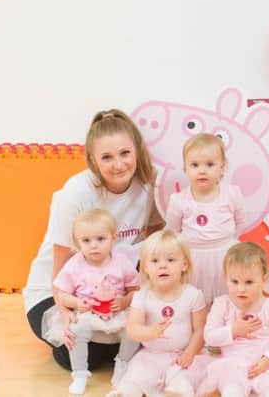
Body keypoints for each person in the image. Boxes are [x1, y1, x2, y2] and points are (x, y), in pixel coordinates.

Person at [23, 109, 163, 371]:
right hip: (58, 292)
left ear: (137, 150)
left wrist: (142, 297)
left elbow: (154, 245)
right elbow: (59, 271)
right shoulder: (74, 195)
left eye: (125, 153)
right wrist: (65, 313)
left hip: (114, 289)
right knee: (83, 354)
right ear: (92, 160)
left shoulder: (149, 184)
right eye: (107, 157)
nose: (118, 164)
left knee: (151, 336)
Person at [196, 242, 269, 397]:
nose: (241, 289)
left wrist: (268, 360)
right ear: (226, 278)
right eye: (234, 282)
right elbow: (209, 336)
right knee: (231, 386)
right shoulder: (222, 304)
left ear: (264, 279)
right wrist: (233, 330)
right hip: (232, 365)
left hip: (262, 365)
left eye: (249, 282)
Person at [45, 209, 139, 394]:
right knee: (75, 330)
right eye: (86, 241)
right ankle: (79, 373)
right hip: (88, 313)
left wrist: (124, 301)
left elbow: (136, 290)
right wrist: (77, 303)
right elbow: (62, 294)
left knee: (133, 329)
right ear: (77, 243)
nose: (93, 246)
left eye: (100, 239)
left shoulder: (121, 262)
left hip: (117, 313)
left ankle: (123, 365)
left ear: (113, 238)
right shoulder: (75, 265)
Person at [107, 229, 207, 397]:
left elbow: (200, 330)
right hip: (150, 355)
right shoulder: (142, 296)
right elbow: (133, 328)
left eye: (170, 260)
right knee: (136, 377)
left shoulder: (193, 295)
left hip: (181, 356)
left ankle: (176, 392)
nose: (162, 265)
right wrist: (152, 332)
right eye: (154, 261)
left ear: (184, 265)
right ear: (145, 268)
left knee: (183, 379)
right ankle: (125, 393)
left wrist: (189, 353)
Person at [165, 133, 245, 305]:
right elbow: (172, 231)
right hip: (193, 257)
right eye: (194, 165)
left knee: (227, 298)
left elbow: (239, 222)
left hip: (225, 254)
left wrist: (227, 241)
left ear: (222, 167)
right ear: (186, 168)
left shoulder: (231, 194)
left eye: (209, 164)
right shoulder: (179, 200)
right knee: (194, 300)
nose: (202, 170)